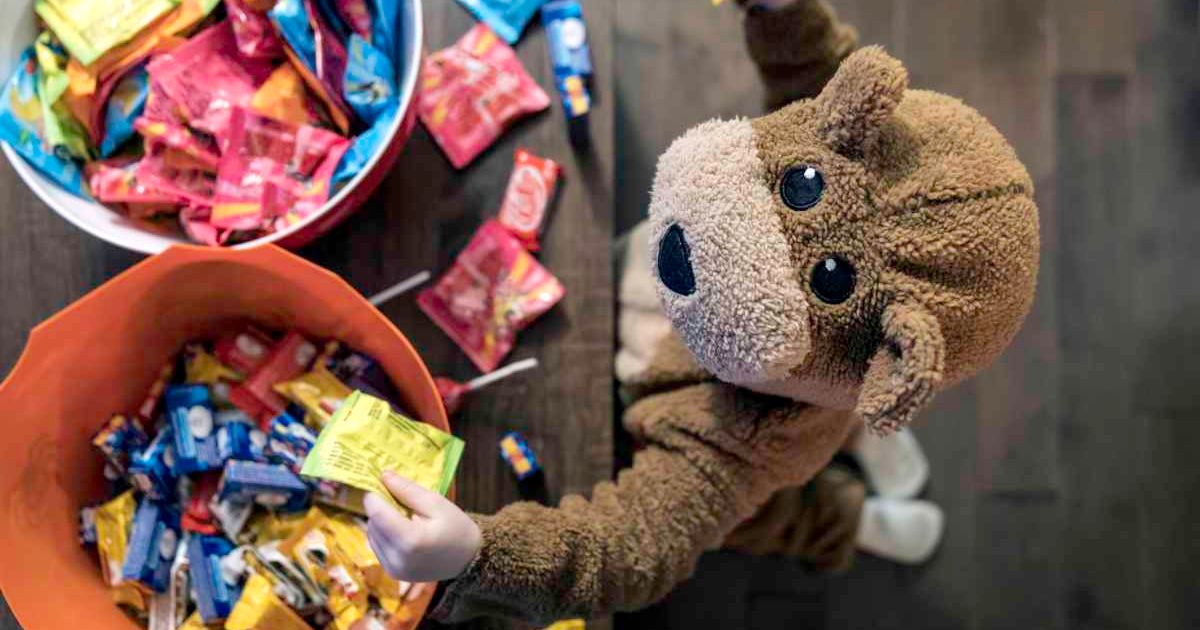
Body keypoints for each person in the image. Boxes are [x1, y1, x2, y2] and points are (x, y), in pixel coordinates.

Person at [362, 0, 1039, 623]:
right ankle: (866, 431)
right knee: (837, 414)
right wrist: (782, 10)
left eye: (832, 280)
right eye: (800, 183)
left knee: (763, 514)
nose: (717, 234)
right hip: (781, 367)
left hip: (742, 429)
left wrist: (478, 552)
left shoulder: (747, 438)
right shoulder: (841, 129)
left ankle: (845, 521)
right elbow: (813, 72)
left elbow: (634, 546)